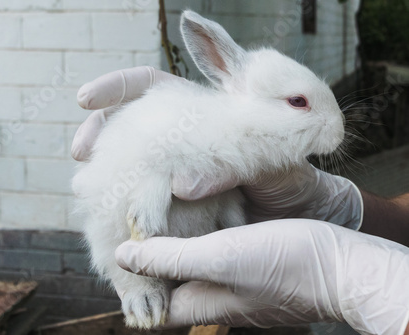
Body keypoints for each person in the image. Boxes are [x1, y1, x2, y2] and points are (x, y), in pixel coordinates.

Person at [71, 67, 409, 335]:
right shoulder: (194, 120)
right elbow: (104, 204)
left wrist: (375, 287)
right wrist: (343, 211)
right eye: (298, 103)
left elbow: (228, 202)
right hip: (135, 242)